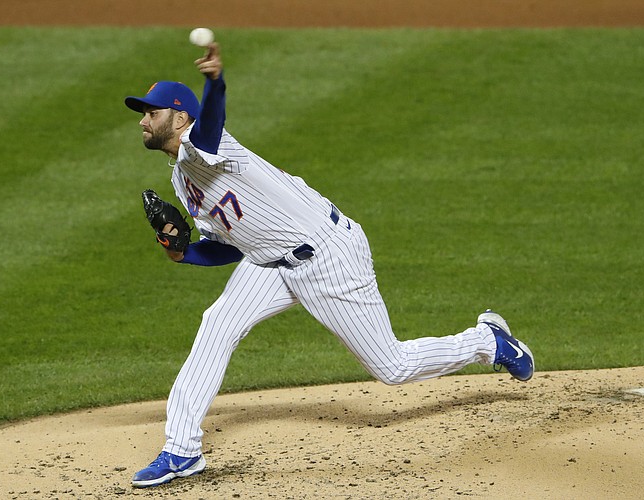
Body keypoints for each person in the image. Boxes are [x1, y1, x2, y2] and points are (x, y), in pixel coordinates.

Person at [124, 40, 535, 489]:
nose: (144, 120)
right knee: (216, 325)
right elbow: (231, 246)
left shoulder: (208, 144)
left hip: (327, 255)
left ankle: (487, 342)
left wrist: (215, 81)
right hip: (269, 264)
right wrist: (185, 254)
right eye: (143, 113)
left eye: (152, 112)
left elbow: (211, 122)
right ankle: (182, 450)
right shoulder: (183, 182)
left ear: (181, 118)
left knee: (392, 367)